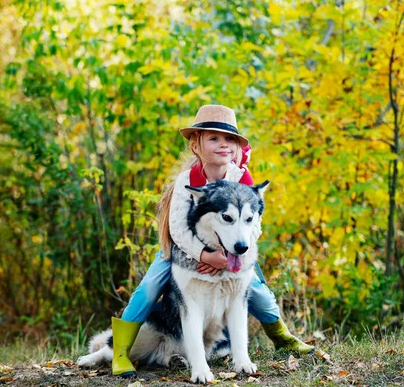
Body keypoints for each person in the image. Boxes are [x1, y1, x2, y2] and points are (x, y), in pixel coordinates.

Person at [111, 105, 314, 377]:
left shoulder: (241, 177)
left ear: (238, 146)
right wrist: (205, 257)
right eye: (214, 138)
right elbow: (178, 230)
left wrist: (236, 254)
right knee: (148, 288)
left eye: (230, 139)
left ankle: (282, 337)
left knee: (259, 293)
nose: (223, 144)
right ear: (196, 144)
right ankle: (120, 352)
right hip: (183, 248)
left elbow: (255, 225)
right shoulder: (187, 180)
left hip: (234, 249)